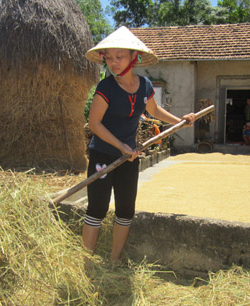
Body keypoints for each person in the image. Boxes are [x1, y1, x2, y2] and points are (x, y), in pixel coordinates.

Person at [83, 26, 196, 263]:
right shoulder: (107, 87)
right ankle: (87, 265)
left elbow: (153, 109)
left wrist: (181, 122)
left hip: (129, 158)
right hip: (103, 156)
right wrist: (121, 146)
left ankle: (114, 263)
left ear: (134, 58)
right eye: (109, 58)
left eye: (119, 57)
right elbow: (94, 124)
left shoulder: (144, 85)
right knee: (97, 210)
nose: (113, 63)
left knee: (125, 212)